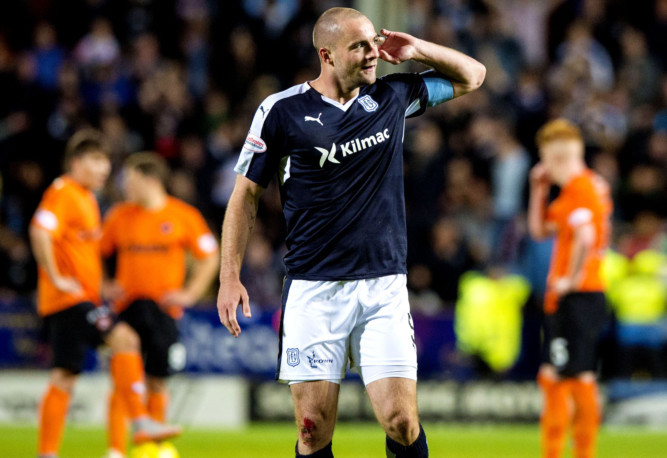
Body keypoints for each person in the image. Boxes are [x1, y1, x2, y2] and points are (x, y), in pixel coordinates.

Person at [216, 7, 485, 458]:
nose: (372, 53)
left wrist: (418, 49)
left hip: (382, 286)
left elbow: (473, 76)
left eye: (372, 42)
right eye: (358, 46)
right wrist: (229, 275)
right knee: (312, 429)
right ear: (327, 54)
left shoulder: (393, 96)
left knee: (401, 421)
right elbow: (245, 195)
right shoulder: (281, 111)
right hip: (313, 290)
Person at [30, 130, 182, 458]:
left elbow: (79, 253)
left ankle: (47, 453)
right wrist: (56, 276)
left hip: (73, 299)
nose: (104, 170)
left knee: (63, 377)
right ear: (76, 162)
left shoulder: (85, 199)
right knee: (125, 338)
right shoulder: (64, 191)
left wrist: (100, 286)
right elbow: (39, 230)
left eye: (106, 162)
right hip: (71, 300)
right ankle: (141, 422)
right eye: (97, 161)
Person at [100, 152, 219, 457]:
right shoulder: (119, 215)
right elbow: (94, 251)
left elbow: (209, 254)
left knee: (157, 380)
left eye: (130, 180)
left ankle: (153, 446)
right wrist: (103, 284)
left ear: (150, 180)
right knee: (122, 376)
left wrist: (191, 293)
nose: (125, 186)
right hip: (127, 306)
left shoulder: (183, 215)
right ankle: (116, 450)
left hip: (164, 309)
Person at [527, 119, 612, 458]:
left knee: (572, 376)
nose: (543, 166)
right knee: (557, 374)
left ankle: (577, 453)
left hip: (577, 296)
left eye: (545, 158)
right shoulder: (588, 187)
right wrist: (538, 190)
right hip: (576, 297)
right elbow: (540, 231)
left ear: (558, 157)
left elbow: (585, 238)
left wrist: (571, 280)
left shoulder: (579, 189)